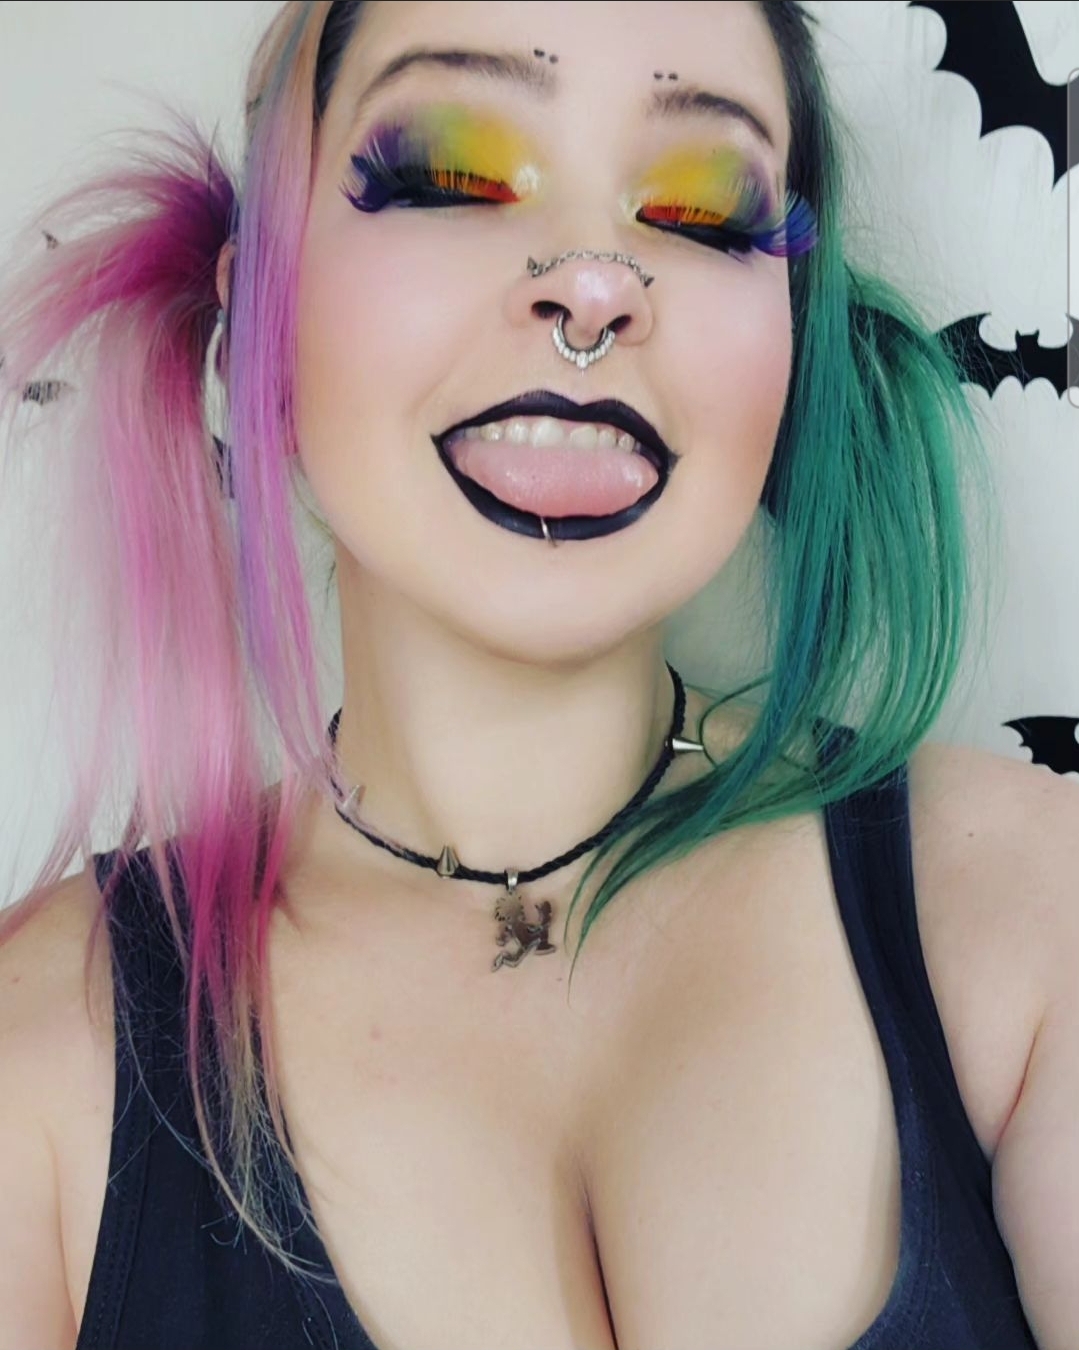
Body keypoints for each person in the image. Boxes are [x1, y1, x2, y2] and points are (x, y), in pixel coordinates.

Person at [0, 2, 1074, 1347]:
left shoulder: (1030, 906)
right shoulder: (37, 1063)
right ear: (257, 313)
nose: (596, 282)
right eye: (448, 174)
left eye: (705, 210)